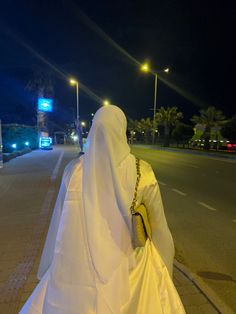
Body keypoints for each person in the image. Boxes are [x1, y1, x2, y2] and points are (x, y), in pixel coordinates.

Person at [20, 105, 185, 314]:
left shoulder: (73, 171)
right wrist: (165, 271)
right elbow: (160, 228)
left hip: (75, 274)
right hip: (133, 272)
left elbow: (59, 222)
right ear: (122, 130)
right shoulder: (142, 172)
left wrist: (51, 264)